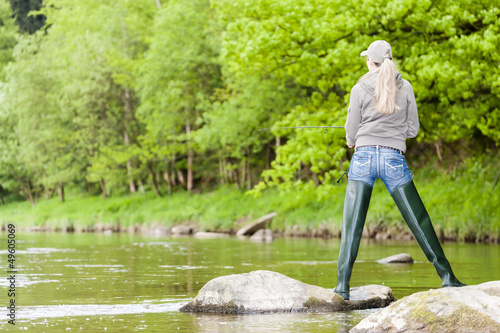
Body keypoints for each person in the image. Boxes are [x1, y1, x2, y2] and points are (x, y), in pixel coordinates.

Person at [334, 40, 466, 300]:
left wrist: (352, 140)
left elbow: (351, 131)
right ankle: (448, 277)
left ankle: (342, 286)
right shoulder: (405, 87)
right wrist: (394, 135)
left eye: (366, 59)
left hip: (363, 158)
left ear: (371, 62)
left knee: (352, 226)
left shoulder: (359, 88)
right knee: (419, 221)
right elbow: (413, 129)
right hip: (394, 158)